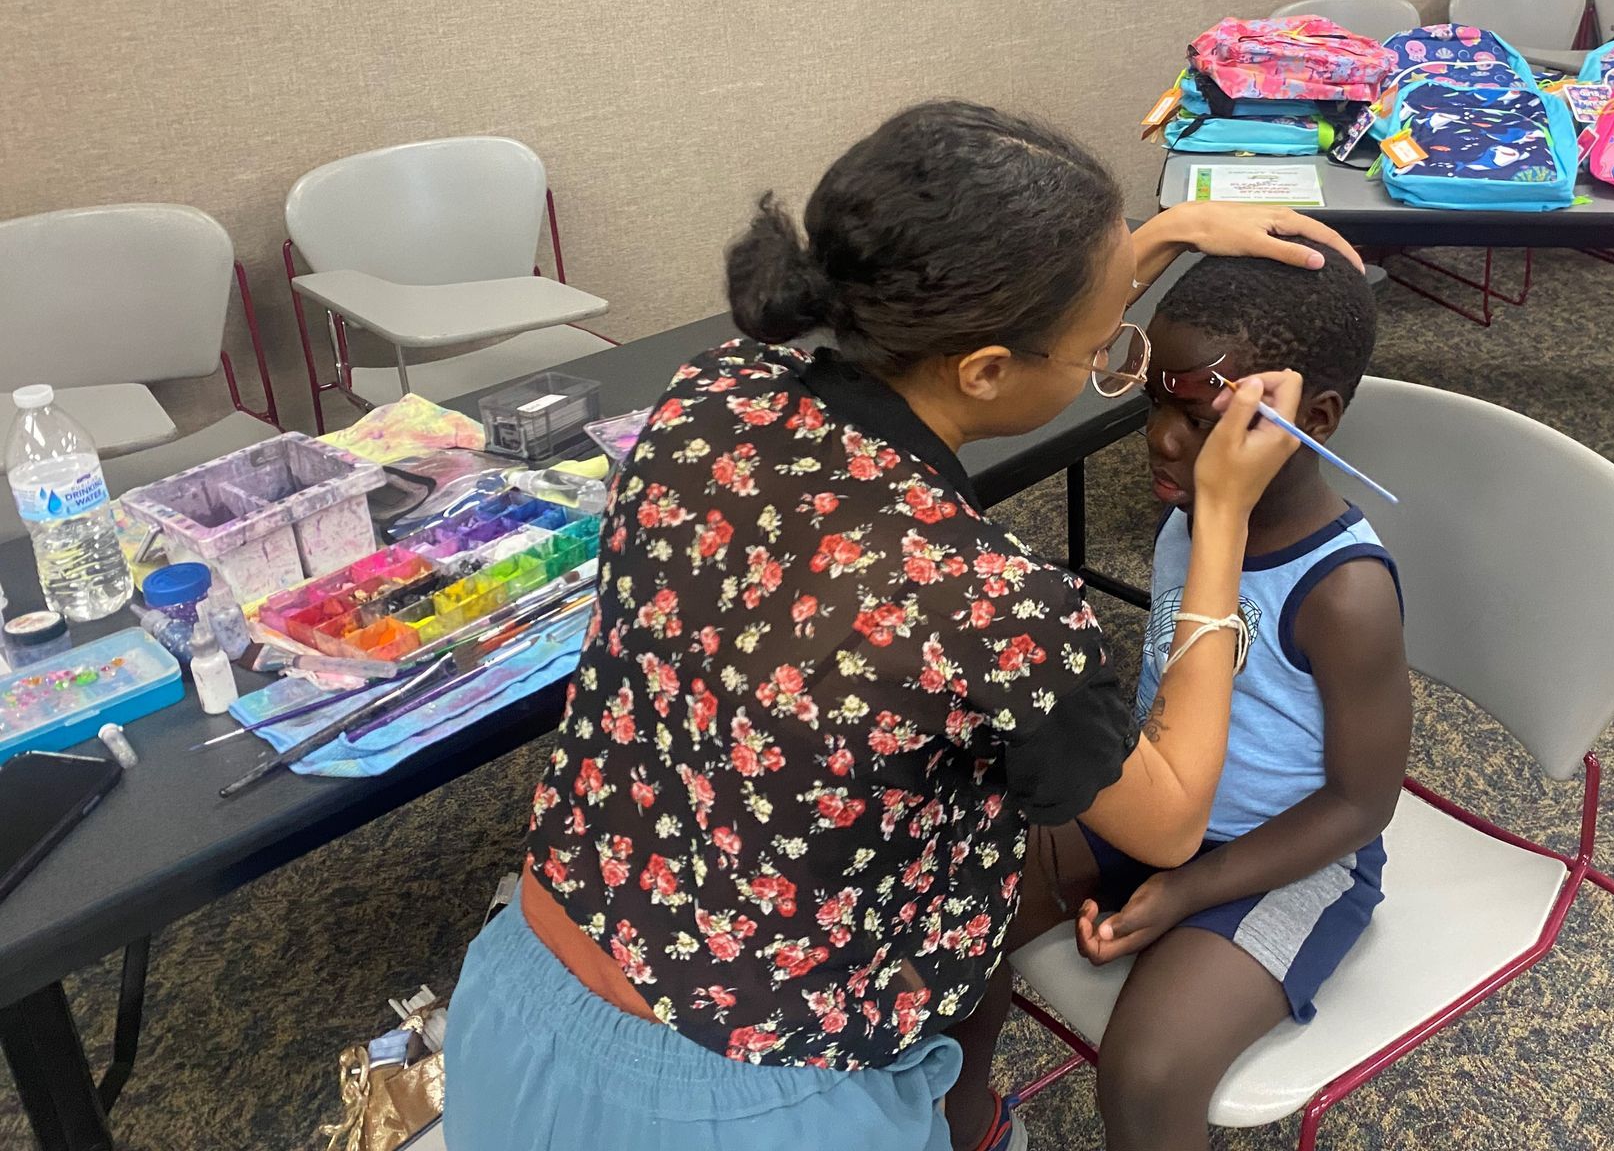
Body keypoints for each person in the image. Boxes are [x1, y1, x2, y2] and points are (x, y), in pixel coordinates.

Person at [441, 101, 1362, 1151]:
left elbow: (987, 355)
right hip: (744, 1100)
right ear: (983, 369)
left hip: (529, 979)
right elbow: (1169, 824)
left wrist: (1153, 242)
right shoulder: (994, 608)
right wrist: (1223, 521)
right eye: (1103, 346)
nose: (1117, 361)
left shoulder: (712, 393)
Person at [953, 251, 1412, 1151]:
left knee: (1149, 1074)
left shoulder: (1344, 592)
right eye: (1152, 404)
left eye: (1199, 417)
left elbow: (1363, 802)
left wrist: (1187, 886)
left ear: (1310, 421)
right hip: (1159, 798)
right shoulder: (1188, 516)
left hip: (1288, 855)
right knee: (950, 908)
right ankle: (963, 1128)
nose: (1161, 438)